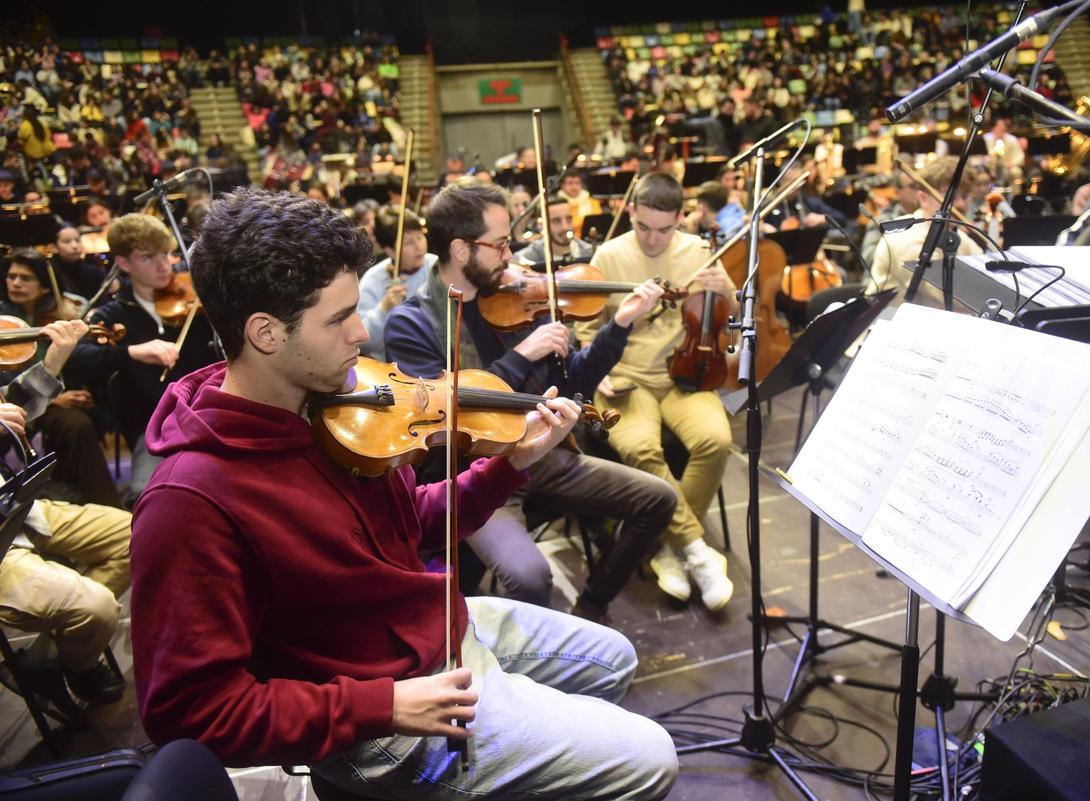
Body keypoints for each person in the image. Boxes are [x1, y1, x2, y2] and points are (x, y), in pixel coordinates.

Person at [130, 187, 678, 799]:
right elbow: (190, 710)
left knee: (616, 659)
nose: (363, 333)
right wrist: (380, 704)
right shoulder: (188, 502)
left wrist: (509, 465)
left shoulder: (327, 406)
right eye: (338, 318)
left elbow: (407, 522)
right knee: (652, 759)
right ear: (264, 332)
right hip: (378, 715)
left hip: (428, 626)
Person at [385, 179, 675, 619]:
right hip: (474, 472)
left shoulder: (514, 299)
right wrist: (522, 355)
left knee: (659, 499)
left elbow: (572, 379)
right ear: (461, 250)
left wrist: (619, 326)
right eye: (500, 244)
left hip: (545, 454)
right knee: (529, 575)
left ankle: (591, 606)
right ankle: (523, 662)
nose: (511, 255)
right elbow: (447, 415)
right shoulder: (412, 324)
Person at [576, 173, 736, 612]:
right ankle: (699, 553)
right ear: (631, 213)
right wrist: (593, 360)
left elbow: (728, 313)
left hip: (686, 374)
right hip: (626, 377)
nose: (652, 239)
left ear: (680, 219)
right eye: (643, 227)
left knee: (716, 440)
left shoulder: (701, 251)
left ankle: (671, 546)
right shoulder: (608, 255)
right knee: (641, 447)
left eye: (663, 230)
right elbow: (585, 328)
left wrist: (730, 293)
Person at [0, 317, 131, 710]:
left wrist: (55, 357)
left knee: (141, 535)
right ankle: (76, 656)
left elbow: (13, 410)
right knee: (96, 609)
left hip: (17, 509)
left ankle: (47, 658)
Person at [68, 213, 220, 502]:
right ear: (124, 263)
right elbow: (77, 356)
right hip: (156, 428)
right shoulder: (114, 314)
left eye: (167, 253)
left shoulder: (196, 298)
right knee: (145, 495)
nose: (165, 265)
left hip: (211, 413)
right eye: (148, 258)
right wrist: (131, 352)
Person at [1, 249, 123, 507]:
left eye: (25, 278)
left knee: (86, 418)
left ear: (45, 287)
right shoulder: (5, 318)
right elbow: (8, 389)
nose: (15, 283)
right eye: (12, 277)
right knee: (74, 424)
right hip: (34, 405)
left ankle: (84, 497)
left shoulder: (64, 308)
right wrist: (57, 398)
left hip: (34, 398)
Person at [869, 157, 983, 293]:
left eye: (964, 196)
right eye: (950, 198)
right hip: (893, 314)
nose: (960, 205)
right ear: (923, 198)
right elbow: (942, 294)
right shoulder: (903, 236)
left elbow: (986, 271)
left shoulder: (958, 236)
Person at [356, 208, 434, 360]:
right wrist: (384, 309)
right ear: (390, 251)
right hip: (389, 370)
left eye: (420, 237)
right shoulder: (372, 280)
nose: (419, 247)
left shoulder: (436, 267)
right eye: (408, 243)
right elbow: (365, 344)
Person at [511, 194, 594, 268]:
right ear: (541, 224)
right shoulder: (522, 259)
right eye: (556, 221)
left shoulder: (592, 253)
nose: (565, 227)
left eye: (569, 219)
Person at [51, 224, 109, 302]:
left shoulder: (93, 271)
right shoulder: (50, 272)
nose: (75, 246)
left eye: (77, 240)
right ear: (54, 247)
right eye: (67, 241)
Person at [684, 180, 745, 245]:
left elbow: (709, 252)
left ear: (701, 207)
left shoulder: (723, 229)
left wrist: (690, 234)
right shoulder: (738, 212)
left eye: (695, 208)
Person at [560, 168, 603, 239]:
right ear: (562, 185)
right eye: (570, 183)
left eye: (577, 183)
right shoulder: (556, 204)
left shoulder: (592, 202)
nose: (574, 187)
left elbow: (598, 223)